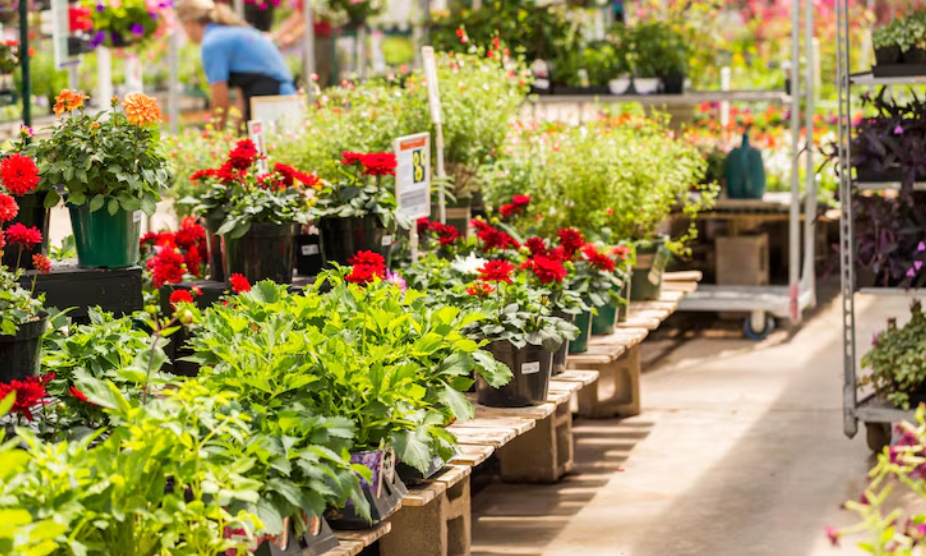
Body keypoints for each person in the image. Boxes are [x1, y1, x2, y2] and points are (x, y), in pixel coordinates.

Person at [175, 0, 296, 126]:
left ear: (189, 24)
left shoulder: (213, 42)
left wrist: (215, 136)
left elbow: (220, 99)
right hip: (284, 97)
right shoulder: (229, 32)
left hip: (271, 101)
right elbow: (240, 100)